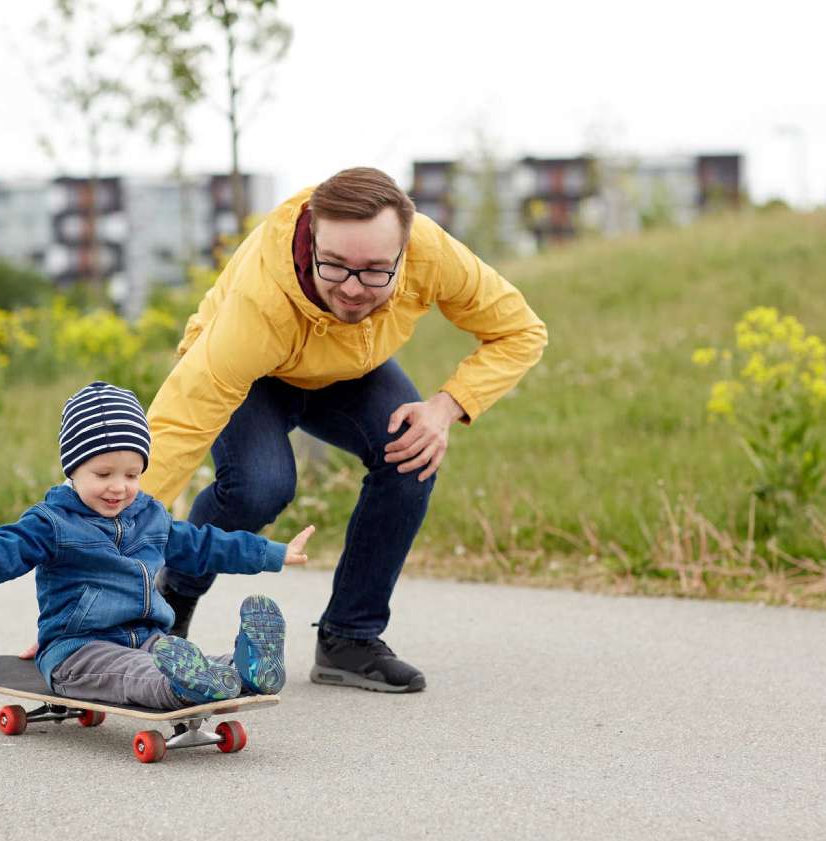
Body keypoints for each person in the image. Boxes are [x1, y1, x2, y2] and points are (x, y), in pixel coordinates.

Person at [144, 167, 548, 694]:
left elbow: (519, 330)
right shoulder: (258, 303)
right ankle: (167, 602)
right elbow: (177, 428)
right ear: (312, 235)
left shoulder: (432, 252)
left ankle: (349, 638)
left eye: (376, 271)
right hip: (256, 371)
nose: (354, 289)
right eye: (334, 267)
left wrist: (446, 407)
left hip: (349, 368)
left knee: (411, 450)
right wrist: (96, 553)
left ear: (406, 250)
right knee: (260, 487)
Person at [0, 380, 315, 710]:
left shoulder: (150, 516)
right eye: (103, 473)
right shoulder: (51, 523)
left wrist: (274, 553)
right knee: (135, 672)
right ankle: (183, 689)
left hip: (148, 638)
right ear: (72, 470)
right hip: (78, 651)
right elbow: (1, 550)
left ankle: (246, 667)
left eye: (132, 474)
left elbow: (207, 545)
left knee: (180, 656)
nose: (119, 487)